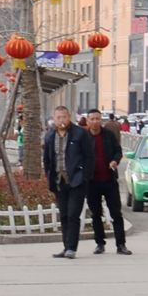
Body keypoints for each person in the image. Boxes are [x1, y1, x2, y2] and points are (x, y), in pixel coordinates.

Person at [78, 108, 129, 254]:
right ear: (87, 121)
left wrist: (114, 160)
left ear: (101, 120)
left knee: (116, 213)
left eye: (98, 119)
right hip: (92, 182)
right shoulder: (83, 137)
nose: (95, 121)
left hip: (109, 180)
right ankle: (100, 243)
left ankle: (121, 244)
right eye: (92, 119)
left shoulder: (109, 135)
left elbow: (118, 151)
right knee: (96, 214)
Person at [44, 106, 89, 258]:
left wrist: (85, 176)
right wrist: (48, 176)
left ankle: (72, 248)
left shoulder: (80, 133)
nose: (61, 120)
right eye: (58, 117)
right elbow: (47, 159)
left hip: (76, 180)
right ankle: (65, 246)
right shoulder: (50, 135)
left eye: (64, 117)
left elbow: (90, 156)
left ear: (69, 117)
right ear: (54, 119)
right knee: (63, 215)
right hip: (59, 181)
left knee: (73, 215)